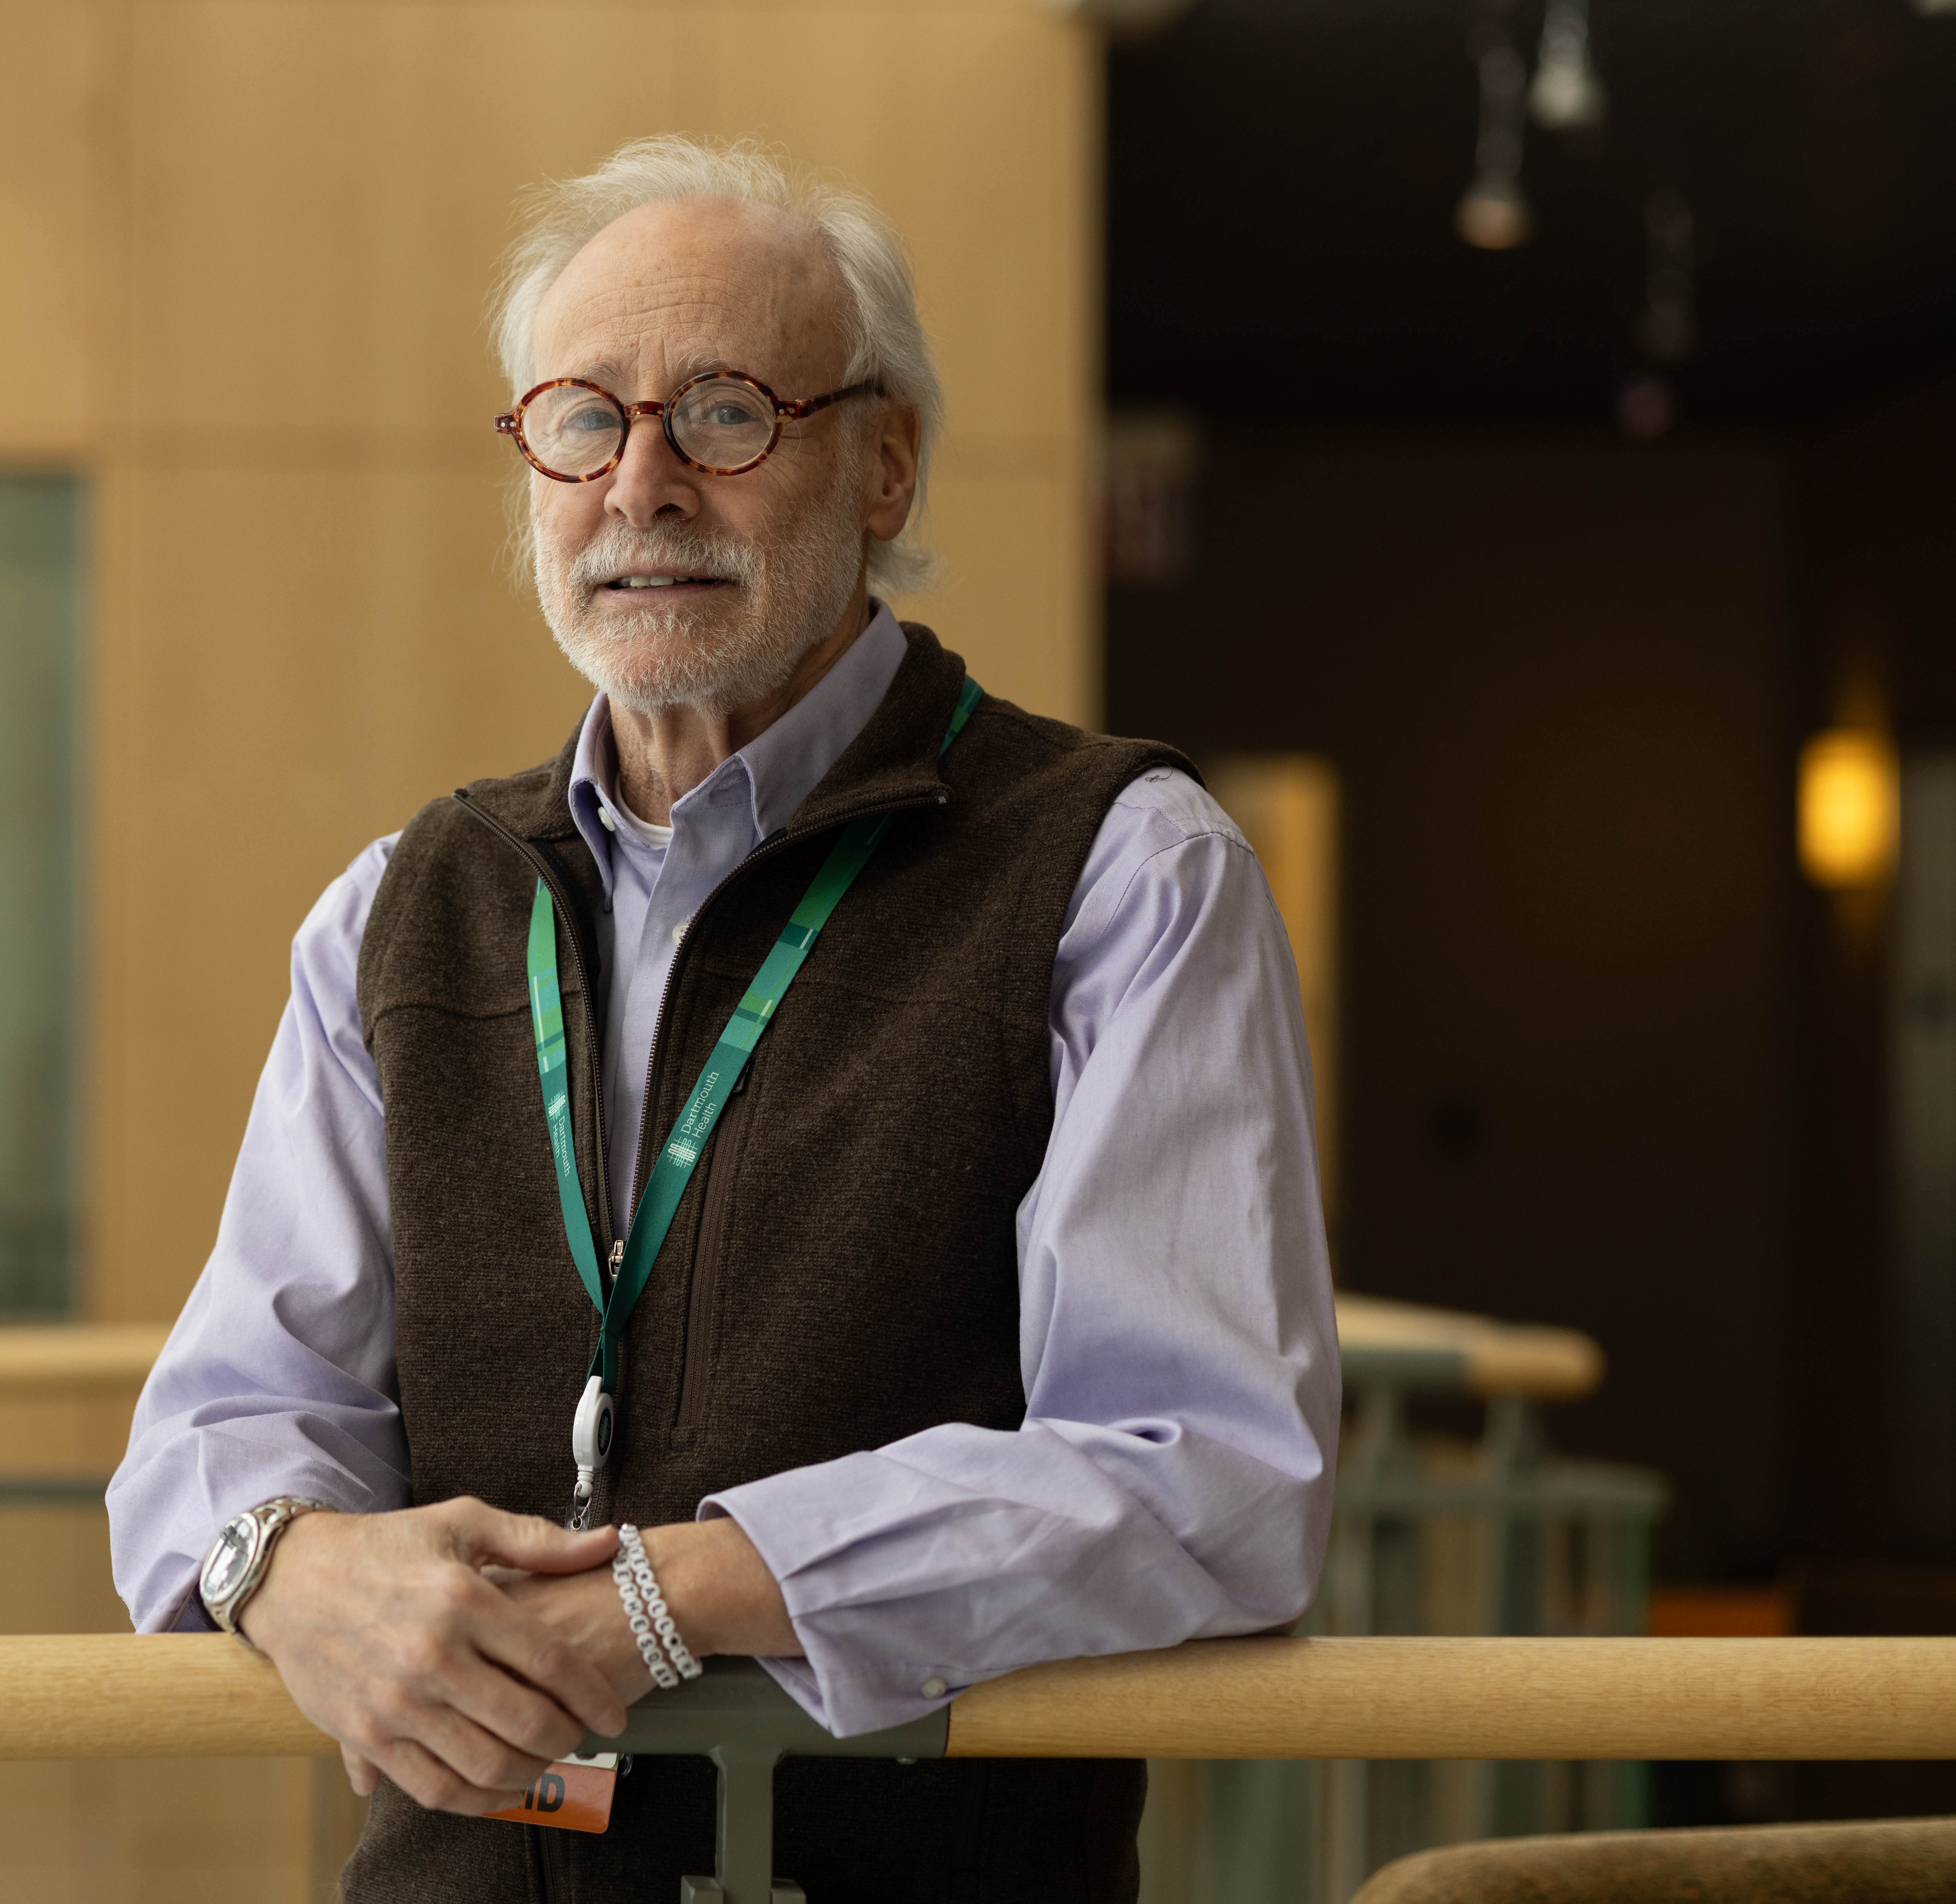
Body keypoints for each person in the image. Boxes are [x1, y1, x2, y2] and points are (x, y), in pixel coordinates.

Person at [108, 134, 1337, 1902]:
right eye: (581, 420)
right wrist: (285, 1564)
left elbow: (1207, 1473)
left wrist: (678, 1594)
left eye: (726, 413)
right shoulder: (401, 906)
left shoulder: (1118, 875)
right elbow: (216, 1419)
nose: (641, 485)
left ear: (885, 463)